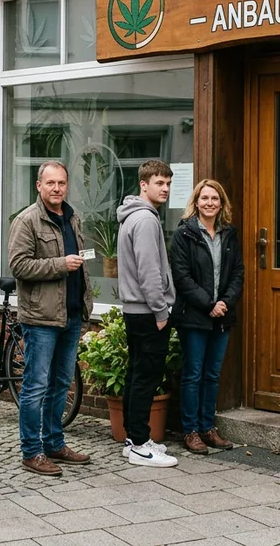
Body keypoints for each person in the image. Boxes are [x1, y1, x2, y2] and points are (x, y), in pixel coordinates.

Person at [8, 161, 93, 477]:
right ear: (39, 186)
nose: (57, 188)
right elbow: (18, 266)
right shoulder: (27, 221)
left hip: (70, 314)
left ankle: (55, 443)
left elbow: (80, 264)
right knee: (36, 385)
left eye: (62, 183)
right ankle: (32, 451)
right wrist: (59, 264)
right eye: (51, 183)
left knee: (61, 383)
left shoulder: (72, 218)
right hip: (41, 318)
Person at [170, 179, 243, 454]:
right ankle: (190, 431)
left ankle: (207, 427)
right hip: (194, 317)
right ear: (196, 202)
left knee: (212, 374)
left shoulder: (229, 234)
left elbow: (238, 273)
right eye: (205, 198)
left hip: (222, 316)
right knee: (193, 374)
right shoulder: (184, 234)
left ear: (221, 203)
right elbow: (182, 278)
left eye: (215, 199)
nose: (209, 203)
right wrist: (209, 304)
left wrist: (224, 302)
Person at [117, 159, 179, 468]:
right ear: (144, 185)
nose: (165, 188)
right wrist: (161, 311)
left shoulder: (137, 217)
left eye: (168, 183)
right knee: (146, 376)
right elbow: (149, 272)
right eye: (159, 183)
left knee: (137, 374)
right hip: (147, 311)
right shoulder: (145, 220)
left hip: (136, 310)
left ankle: (133, 439)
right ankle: (140, 444)